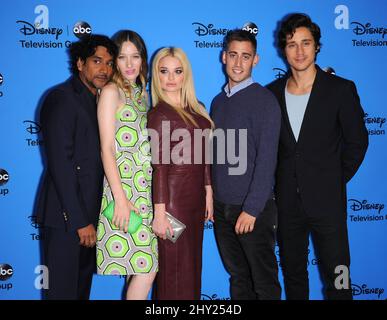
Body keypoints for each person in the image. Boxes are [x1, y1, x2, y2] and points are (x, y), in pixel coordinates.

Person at [267, 13, 369, 300]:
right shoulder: (271, 94)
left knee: (338, 275)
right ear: (283, 49)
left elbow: (357, 142)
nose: (299, 51)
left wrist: (332, 178)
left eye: (306, 43)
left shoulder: (340, 90)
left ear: (317, 47)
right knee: (294, 274)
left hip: (328, 202)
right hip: (287, 203)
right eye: (291, 44)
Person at [36, 34, 117, 299]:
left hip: (89, 220)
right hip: (66, 220)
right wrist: (80, 222)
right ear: (80, 63)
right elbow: (61, 165)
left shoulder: (99, 101)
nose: (104, 69)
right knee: (61, 294)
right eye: (96, 61)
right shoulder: (61, 98)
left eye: (109, 63)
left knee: (80, 293)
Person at [210, 29, 282, 300]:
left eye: (245, 56)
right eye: (233, 55)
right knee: (238, 279)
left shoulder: (264, 101)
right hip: (222, 209)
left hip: (253, 210)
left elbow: (266, 160)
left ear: (256, 60)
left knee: (264, 283)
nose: (238, 63)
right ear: (223, 57)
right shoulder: (218, 102)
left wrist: (251, 210)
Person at [147, 47, 214, 300]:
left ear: (186, 74)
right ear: (156, 75)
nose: (171, 78)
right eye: (164, 71)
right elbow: (160, 166)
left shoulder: (196, 109)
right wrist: (160, 213)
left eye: (177, 71)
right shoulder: (159, 114)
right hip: (173, 205)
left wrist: (208, 192)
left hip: (195, 201)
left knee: (191, 269)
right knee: (175, 274)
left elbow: (204, 156)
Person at [95, 30, 157, 300]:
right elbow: (106, 148)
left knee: (140, 267)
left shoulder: (142, 94)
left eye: (136, 56)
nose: (130, 64)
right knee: (147, 269)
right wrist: (120, 198)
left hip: (146, 192)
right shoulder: (111, 91)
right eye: (122, 57)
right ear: (114, 61)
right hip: (125, 193)